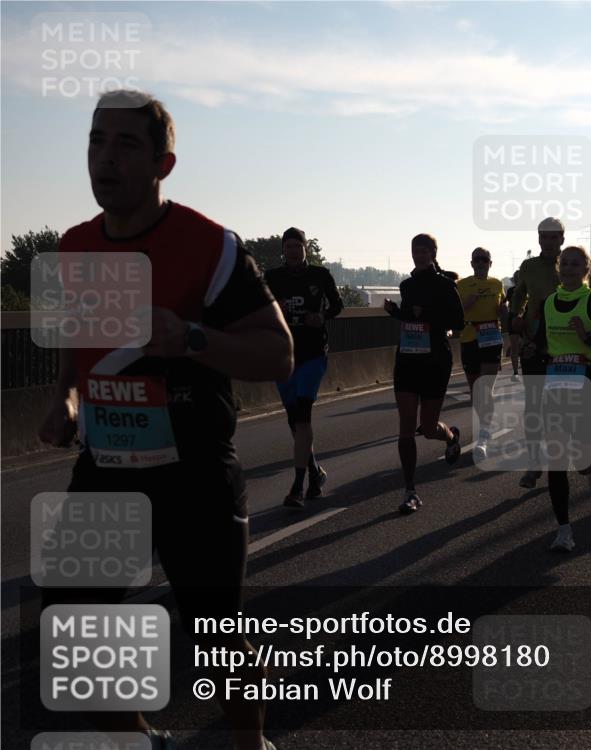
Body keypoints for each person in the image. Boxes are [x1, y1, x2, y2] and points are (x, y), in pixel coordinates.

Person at [37, 90, 289, 750]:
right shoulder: (73, 247)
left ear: (163, 164)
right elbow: (76, 339)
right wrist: (66, 398)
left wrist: (193, 341)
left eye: (125, 145)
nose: (104, 158)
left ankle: (250, 744)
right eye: (95, 141)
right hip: (106, 469)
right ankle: (141, 740)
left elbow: (279, 353)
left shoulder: (211, 247)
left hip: (195, 471)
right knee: (70, 624)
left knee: (214, 634)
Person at [521, 246, 591, 551]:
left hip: (586, 384)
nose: (567, 268)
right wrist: (530, 347)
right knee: (556, 461)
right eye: (563, 263)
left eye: (574, 264)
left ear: (585, 270)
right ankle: (564, 530)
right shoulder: (550, 302)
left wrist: (586, 337)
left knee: (582, 461)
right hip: (555, 386)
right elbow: (542, 342)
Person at [384, 233, 465, 512]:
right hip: (407, 359)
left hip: (434, 361)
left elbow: (458, 322)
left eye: (423, 250)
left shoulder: (445, 285)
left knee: (428, 428)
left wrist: (426, 314)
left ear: (432, 253)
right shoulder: (406, 285)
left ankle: (451, 437)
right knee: (406, 426)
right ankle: (410, 491)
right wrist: (396, 313)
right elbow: (411, 318)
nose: (418, 254)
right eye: (414, 250)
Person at [265, 227, 343, 509]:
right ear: (283, 250)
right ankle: (315, 472)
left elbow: (338, 305)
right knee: (293, 420)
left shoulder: (320, 275)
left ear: (305, 248)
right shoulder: (273, 278)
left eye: (298, 246)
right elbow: (261, 308)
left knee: (302, 416)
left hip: (312, 354)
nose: (293, 251)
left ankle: (297, 487)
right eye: (288, 247)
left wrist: (320, 316)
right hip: (284, 355)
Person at [509, 217, 563, 489]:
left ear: (562, 239)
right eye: (545, 237)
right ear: (539, 239)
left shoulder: (572, 266)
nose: (549, 242)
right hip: (534, 346)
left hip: (566, 349)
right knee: (533, 408)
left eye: (555, 237)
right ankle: (534, 462)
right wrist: (515, 317)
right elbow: (517, 296)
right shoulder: (529, 267)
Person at [456, 247, 506, 461]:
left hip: (492, 337)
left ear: (490, 263)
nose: (480, 263)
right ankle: (486, 426)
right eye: (477, 260)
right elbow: (454, 313)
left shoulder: (497, 284)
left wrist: (505, 311)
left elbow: (501, 310)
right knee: (476, 391)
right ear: (471, 263)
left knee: (485, 388)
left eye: (484, 260)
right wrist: (466, 304)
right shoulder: (462, 285)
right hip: (469, 338)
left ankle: (484, 436)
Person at [505, 270, 522, 382]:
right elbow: (504, 303)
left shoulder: (529, 289)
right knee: (515, 346)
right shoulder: (511, 291)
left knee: (518, 346)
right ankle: (515, 371)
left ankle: (517, 371)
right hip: (515, 318)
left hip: (524, 319)